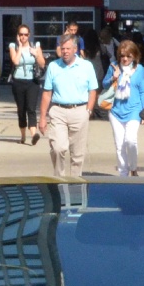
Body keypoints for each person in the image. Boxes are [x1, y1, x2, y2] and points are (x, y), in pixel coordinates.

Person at [38, 33, 100, 178]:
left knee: (77, 154)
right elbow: (47, 94)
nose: (65, 51)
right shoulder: (53, 66)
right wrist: (42, 118)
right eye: (62, 48)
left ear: (75, 49)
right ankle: (59, 178)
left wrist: (88, 111)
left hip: (80, 111)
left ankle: (74, 183)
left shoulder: (86, 66)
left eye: (68, 48)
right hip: (58, 111)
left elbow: (93, 90)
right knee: (58, 148)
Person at [101, 39, 144, 177]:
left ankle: (133, 168)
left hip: (134, 110)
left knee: (131, 140)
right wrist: (113, 78)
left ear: (134, 56)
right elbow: (104, 84)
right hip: (116, 111)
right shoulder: (113, 67)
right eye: (122, 56)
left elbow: (143, 91)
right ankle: (123, 173)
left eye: (128, 56)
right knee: (119, 144)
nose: (125, 59)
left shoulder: (140, 70)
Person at [7, 25, 45, 145]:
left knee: (31, 109)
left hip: (32, 82)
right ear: (18, 36)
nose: (23, 37)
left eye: (26, 34)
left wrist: (36, 54)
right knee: (21, 110)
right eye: (21, 35)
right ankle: (23, 136)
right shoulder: (13, 46)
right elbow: (16, 61)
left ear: (29, 35)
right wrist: (20, 48)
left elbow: (43, 64)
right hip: (18, 82)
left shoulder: (35, 46)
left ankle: (34, 135)